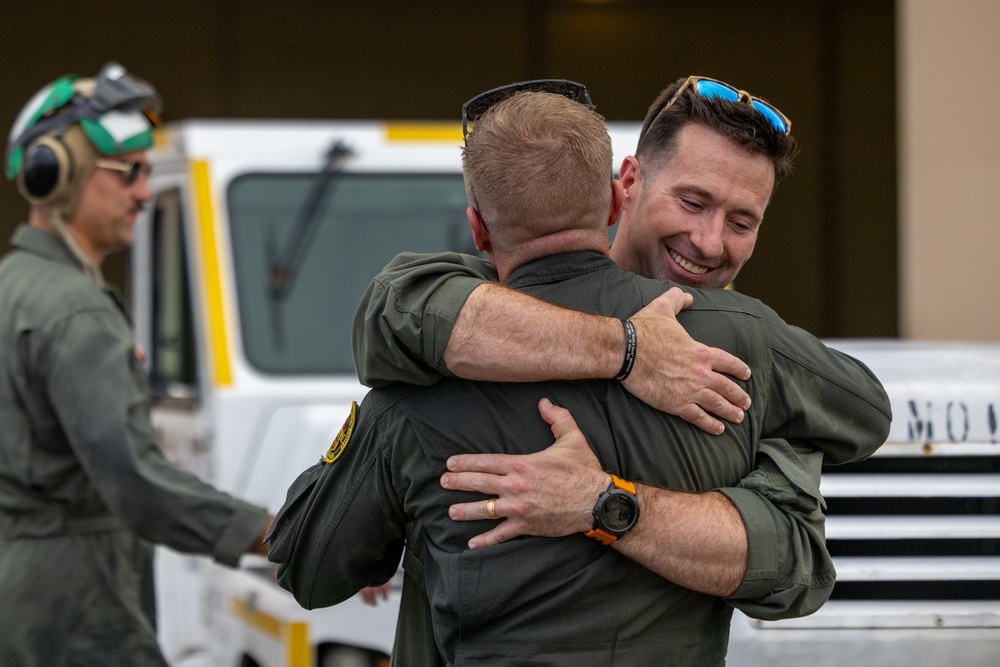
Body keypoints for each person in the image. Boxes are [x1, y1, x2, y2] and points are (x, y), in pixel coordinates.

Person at [268, 89, 891, 665]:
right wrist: (628, 350)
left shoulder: (421, 386)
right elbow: (864, 420)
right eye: (693, 201)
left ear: (479, 227)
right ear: (624, 189)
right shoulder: (743, 349)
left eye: (741, 222)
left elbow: (309, 565)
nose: (707, 241)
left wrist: (605, 502)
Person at [0, 62, 272, 666]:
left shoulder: (13, 287)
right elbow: (136, 483)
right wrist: (284, 536)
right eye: (129, 173)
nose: (145, 193)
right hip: (77, 614)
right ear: (57, 176)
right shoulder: (75, 312)